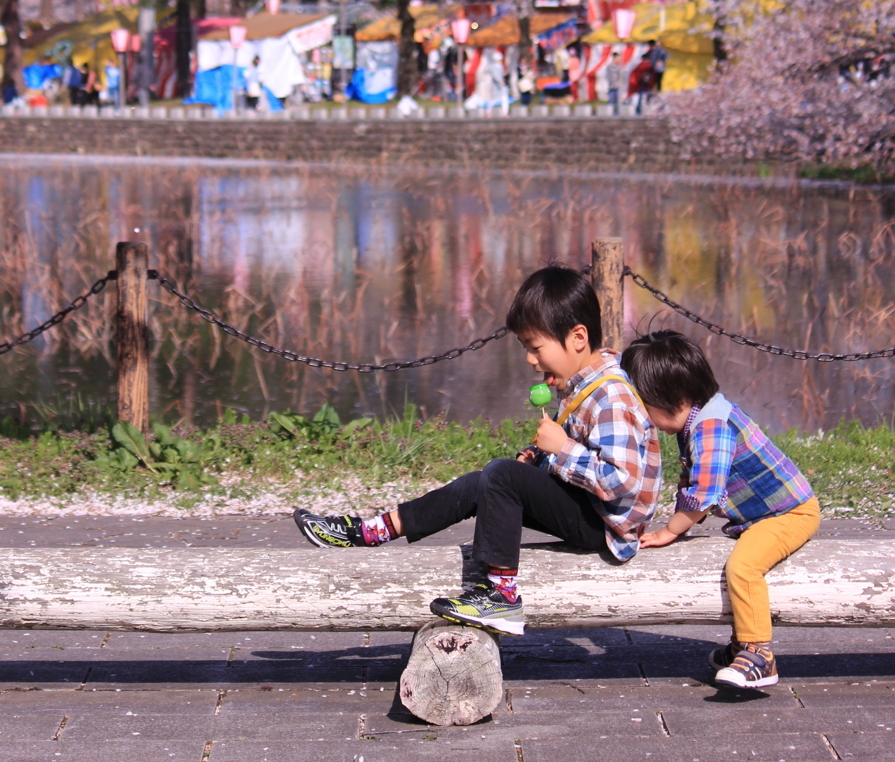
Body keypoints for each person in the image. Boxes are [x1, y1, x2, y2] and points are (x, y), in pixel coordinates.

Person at [292, 266, 662, 636]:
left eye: (536, 347)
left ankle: (502, 597)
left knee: (501, 476)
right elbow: (583, 461)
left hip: (606, 525)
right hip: (588, 507)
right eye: (526, 349)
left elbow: (620, 482)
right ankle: (369, 531)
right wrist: (542, 460)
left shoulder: (610, 395)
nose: (531, 360)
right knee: (482, 482)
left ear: (578, 337)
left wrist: (562, 448)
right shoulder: (582, 384)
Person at [621, 329, 819, 690]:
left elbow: (705, 492)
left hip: (789, 513)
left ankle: (759, 654)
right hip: (763, 515)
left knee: (743, 568)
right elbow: (691, 478)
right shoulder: (696, 419)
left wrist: (670, 530)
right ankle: (740, 646)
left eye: (642, 407)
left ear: (672, 398)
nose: (642, 418)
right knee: (735, 562)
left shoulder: (711, 425)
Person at [604, 50, 627, 116]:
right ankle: (611, 114)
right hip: (611, 87)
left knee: (618, 102)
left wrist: (619, 84)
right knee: (611, 102)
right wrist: (612, 83)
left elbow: (621, 77)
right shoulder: (609, 67)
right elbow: (608, 76)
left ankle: (618, 114)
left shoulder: (620, 67)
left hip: (618, 87)